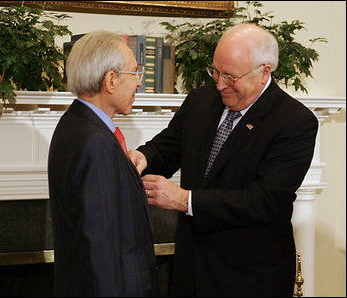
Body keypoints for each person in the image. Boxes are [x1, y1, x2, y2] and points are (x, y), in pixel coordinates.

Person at [129, 24, 318, 297]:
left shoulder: (294, 122)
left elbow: (262, 201)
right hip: (190, 272)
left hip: (247, 279)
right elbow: (168, 147)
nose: (219, 84)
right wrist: (142, 157)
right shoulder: (201, 101)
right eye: (215, 72)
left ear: (264, 71)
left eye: (230, 76)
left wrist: (184, 200)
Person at [48, 31, 157, 297]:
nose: (138, 84)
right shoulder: (94, 142)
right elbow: (99, 250)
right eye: (135, 73)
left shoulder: (73, 125)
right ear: (111, 79)